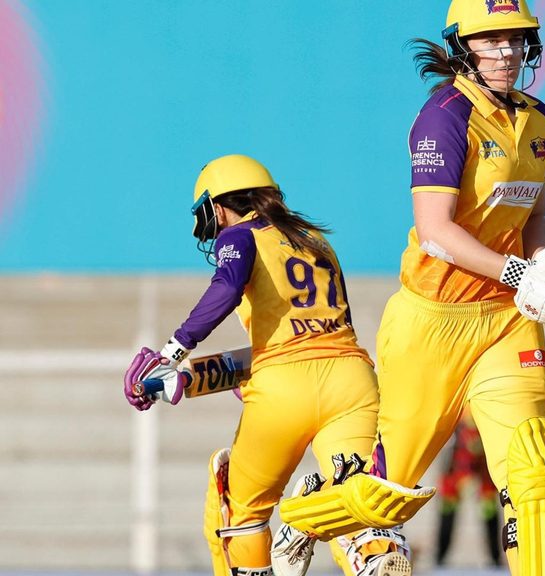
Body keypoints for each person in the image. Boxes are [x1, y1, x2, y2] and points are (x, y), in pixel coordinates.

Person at [365, 1, 545, 574]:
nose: (507, 51)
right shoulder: (444, 116)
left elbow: (533, 216)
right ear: (462, 47)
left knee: (537, 477)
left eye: (515, 39)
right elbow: (434, 231)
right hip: (432, 320)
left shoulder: (538, 117)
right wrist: (519, 273)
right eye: (491, 40)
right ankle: (303, 521)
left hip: (506, 320)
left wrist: (543, 269)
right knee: (388, 490)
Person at [121, 155, 411, 576]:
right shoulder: (314, 239)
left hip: (283, 391)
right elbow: (307, 340)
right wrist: (189, 378)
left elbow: (228, 290)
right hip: (353, 380)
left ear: (218, 206)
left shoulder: (240, 235)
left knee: (239, 511)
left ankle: (299, 520)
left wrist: (172, 353)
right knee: (357, 499)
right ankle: (361, 545)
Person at [435, 416, 503, 568]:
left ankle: (495, 558)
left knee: (489, 509)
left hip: (483, 467)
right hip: (456, 464)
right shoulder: (458, 423)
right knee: (448, 509)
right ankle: (439, 557)